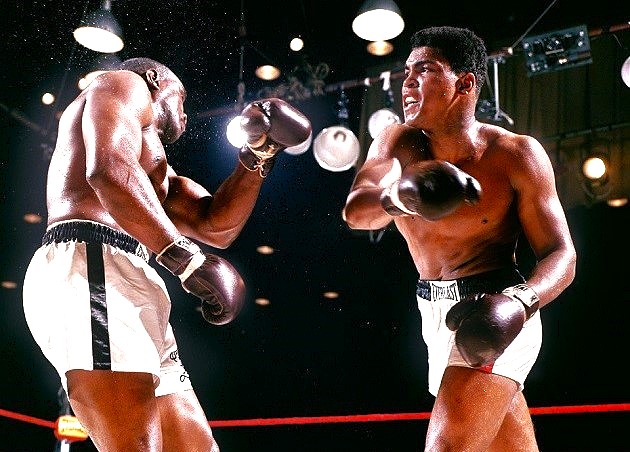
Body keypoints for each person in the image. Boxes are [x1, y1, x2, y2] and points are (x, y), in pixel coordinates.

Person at [22, 57, 311, 451]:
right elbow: (107, 170)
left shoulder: (153, 174)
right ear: (156, 79)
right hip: (93, 263)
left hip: (128, 276)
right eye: (182, 99)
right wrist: (186, 260)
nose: (186, 115)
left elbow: (215, 225)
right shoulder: (124, 83)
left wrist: (259, 154)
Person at [343, 26, 576, 451]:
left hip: (495, 307)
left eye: (424, 70)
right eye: (406, 71)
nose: (408, 82)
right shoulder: (396, 142)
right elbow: (356, 213)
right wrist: (401, 196)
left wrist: (520, 302)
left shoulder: (515, 154)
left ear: (465, 83)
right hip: (432, 312)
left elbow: (561, 254)